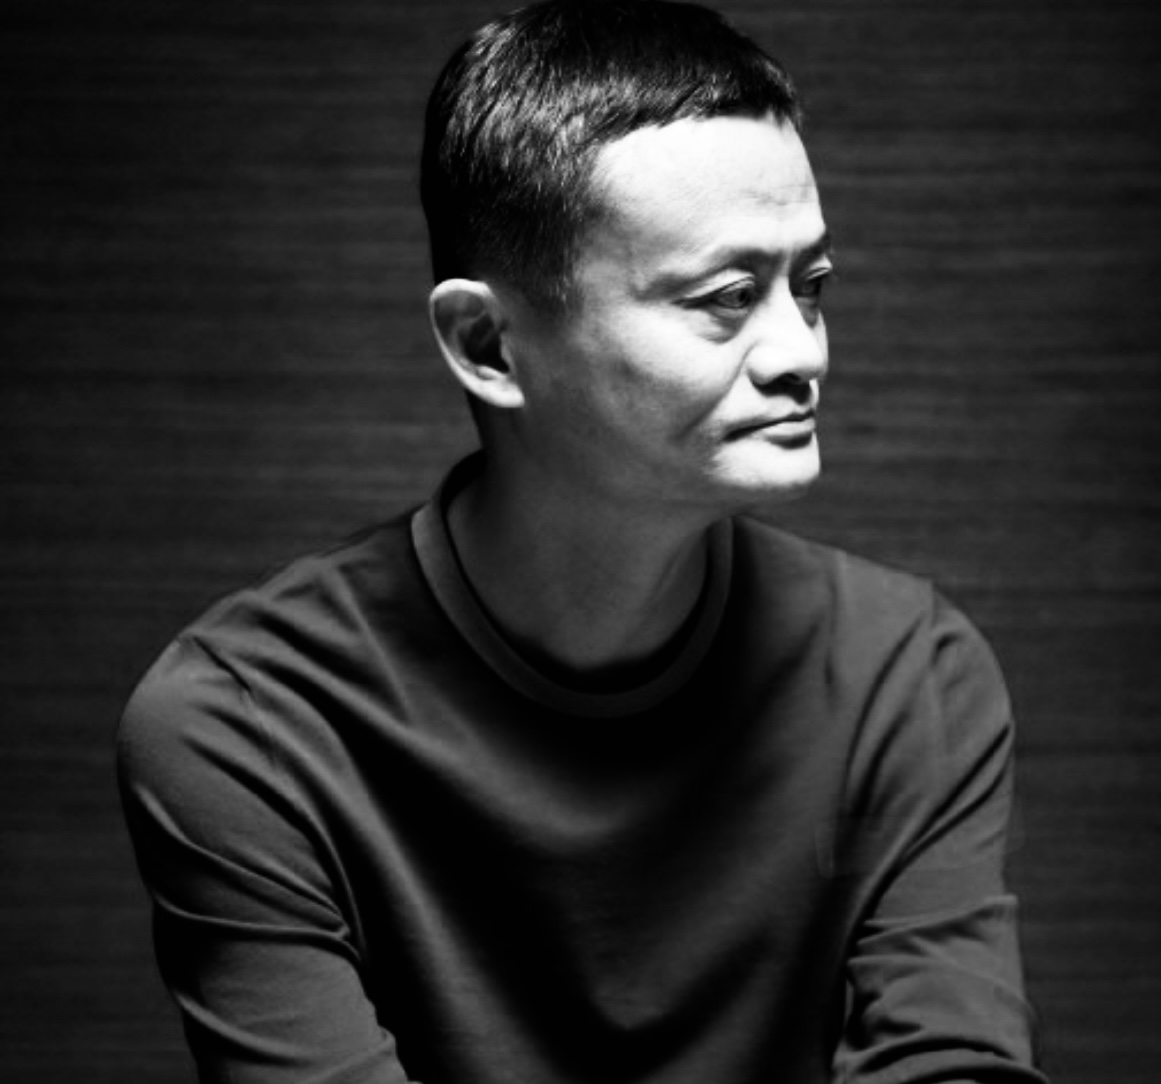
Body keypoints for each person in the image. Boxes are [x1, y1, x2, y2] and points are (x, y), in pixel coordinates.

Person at [117, 1, 1047, 1081]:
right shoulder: (246, 725)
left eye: (811, 287)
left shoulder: (909, 675)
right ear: (488, 345)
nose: (801, 353)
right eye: (726, 297)